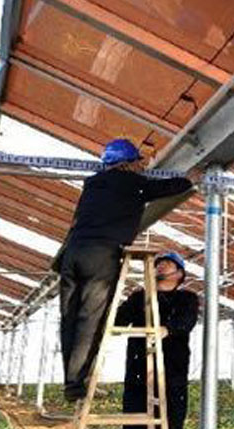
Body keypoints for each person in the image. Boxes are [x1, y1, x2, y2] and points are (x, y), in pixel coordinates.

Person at [58, 139, 197, 401]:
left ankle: (72, 381)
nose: (141, 167)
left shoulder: (93, 184)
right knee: (90, 318)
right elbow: (162, 188)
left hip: (72, 254)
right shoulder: (130, 182)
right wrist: (189, 180)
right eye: (138, 162)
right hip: (100, 256)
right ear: (127, 163)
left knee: (69, 318)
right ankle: (77, 385)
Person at [106, 251, 199, 429]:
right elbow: (117, 322)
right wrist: (118, 296)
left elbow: (185, 323)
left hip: (172, 382)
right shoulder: (139, 298)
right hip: (138, 382)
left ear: (179, 273)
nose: (160, 266)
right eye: (157, 264)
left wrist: (166, 329)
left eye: (167, 264)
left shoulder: (187, 299)